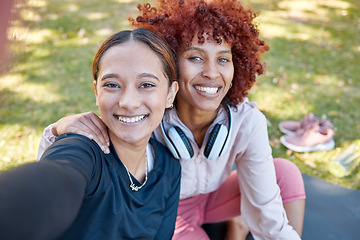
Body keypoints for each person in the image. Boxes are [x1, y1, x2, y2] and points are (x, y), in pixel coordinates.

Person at [37, 0, 306, 239]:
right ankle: (236, 226)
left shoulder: (246, 121)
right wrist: (57, 129)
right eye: (196, 57)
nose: (212, 72)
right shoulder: (147, 114)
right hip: (171, 212)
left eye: (223, 59)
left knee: (287, 173)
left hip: (214, 199)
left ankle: (236, 224)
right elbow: (84, 152)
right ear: (171, 66)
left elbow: (269, 211)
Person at [0, 28, 181, 240]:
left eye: (147, 85)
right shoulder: (82, 150)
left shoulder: (170, 168)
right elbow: (54, 179)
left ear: (170, 94)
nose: (128, 102)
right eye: (112, 85)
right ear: (96, 91)